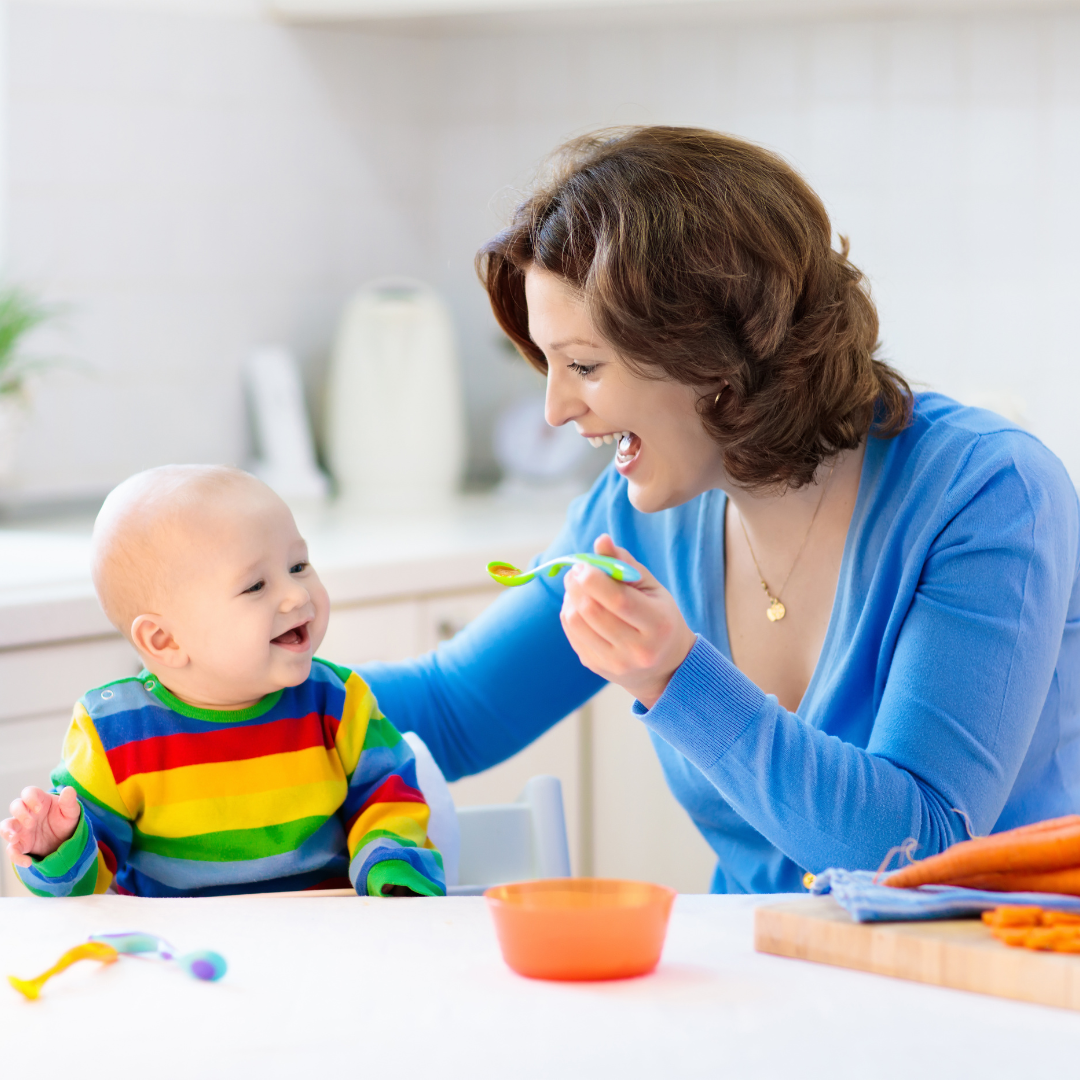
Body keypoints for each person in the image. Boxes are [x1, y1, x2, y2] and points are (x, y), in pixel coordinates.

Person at [360, 126, 1080, 893]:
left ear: (712, 355)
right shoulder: (640, 514)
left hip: (983, 977)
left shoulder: (989, 493)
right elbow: (451, 708)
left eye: (585, 366)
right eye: (549, 366)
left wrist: (677, 678)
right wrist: (242, 675)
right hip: (763, 974)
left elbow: (919, 851)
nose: (556, 410)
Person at [0, 466, 444, 898]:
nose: (297, 594)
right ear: (165, 639)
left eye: (298, 565)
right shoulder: (115, 734)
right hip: (182, 955)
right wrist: (57, 848)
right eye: (255, 586)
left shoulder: (337, 702)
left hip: (324, 935)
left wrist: (390, 863)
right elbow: (83, 889)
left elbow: (389, 793)